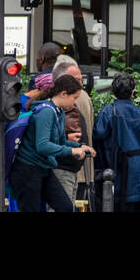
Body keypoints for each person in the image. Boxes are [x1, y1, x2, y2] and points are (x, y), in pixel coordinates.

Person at [10, 74, 95, 212]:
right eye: (74, 98)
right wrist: (72, 151)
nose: (74, 103)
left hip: (43, 167)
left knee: (65, 206)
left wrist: (79, 146)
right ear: (63, 94)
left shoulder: (59, 111)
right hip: (27, 169)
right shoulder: (46, 112)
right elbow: (42, 145)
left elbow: (61, 141)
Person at [94, 73, 140, 211]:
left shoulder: (107, 112)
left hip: (119, 171)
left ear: (113, 92)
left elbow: (98, 138)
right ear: (132, 92)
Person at [51, 56, 94, 209]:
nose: (79, 85)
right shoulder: (51, 110)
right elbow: (42, 143)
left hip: (73, 167)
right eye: (75, 80)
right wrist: (72, 146)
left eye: (81, 80)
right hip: (63, 167)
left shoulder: (74, 102)